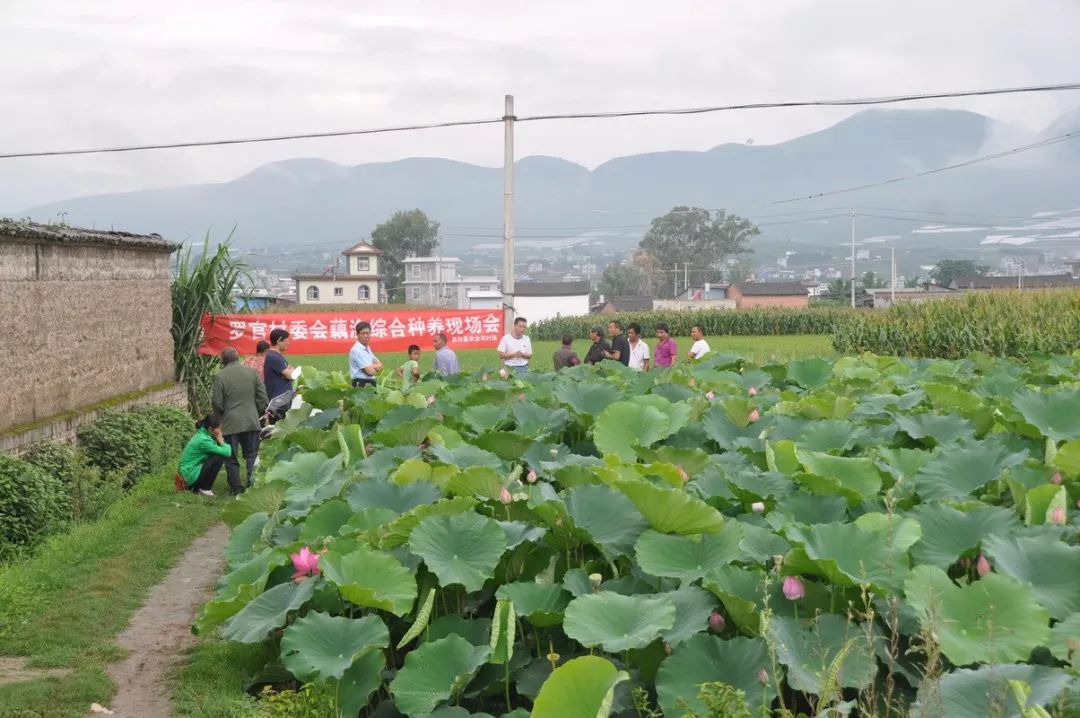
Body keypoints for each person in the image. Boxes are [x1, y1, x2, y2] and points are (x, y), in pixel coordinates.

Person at [212, 347, 268, 495]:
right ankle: (252, 484)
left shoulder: (220, 376)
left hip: (230, 423)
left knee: (230, 458)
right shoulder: (252, 373)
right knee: (252, 455)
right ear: (237, 357)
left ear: (223, 360)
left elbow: (217, 403)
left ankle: (236, 488)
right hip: (251, 420)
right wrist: (259, 413)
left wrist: (219, 420)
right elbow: (262, 398)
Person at [177, 413, 232, 496]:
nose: (220, 431)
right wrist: (220, 440)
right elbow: (227, 452)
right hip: (189, 476)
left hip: (188, 473)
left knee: (217, 454)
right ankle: (205, 488)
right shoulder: (204, 440)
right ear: (210, 429)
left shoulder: (204, 435)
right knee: (219, 456)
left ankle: (198, 487)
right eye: (219, 429)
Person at [349, 321, 383, 387]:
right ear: (357, 334)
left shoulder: (367, 348)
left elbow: (380, 366)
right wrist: (372, 368)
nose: (366, 336)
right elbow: (370, 372)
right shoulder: (356, 350)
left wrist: (370, 367)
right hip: (360, 383)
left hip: (371, 382)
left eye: (368, 333)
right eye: (363, 333)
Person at [264, 329, 294, 401]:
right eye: (286, 341)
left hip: (281, 399)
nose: (288, 343)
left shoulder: (276, 356)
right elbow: (290, 375)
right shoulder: (273, 357)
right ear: (279, 340)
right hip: (277, 400)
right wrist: (292, 370)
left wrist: (289, 369)